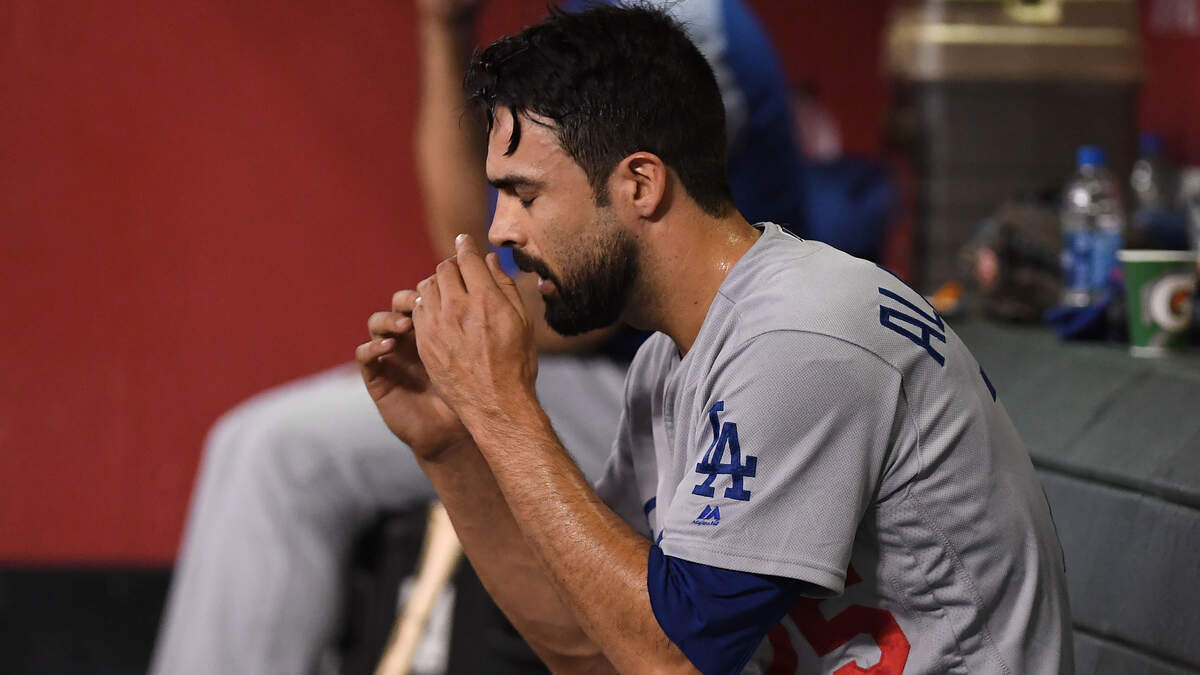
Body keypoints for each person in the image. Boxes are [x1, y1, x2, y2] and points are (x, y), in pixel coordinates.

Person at [356, 5, 1073, 674]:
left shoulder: (800, 339)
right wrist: (451, 444)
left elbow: (672, 660)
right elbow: (595, 646)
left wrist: (502, 408)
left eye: (526, 194)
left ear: (640, 184)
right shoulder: (674, 356)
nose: (501, 230)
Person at [149, 1, 816, 673]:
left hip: (696, 374)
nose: (504, 225)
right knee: (263, 443)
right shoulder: (583, 24)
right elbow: (474, 240)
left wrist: (474, 366)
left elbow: (596, 289)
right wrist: (444, 26)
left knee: (281, 454)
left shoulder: (673, 25)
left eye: (524, 197)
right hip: (644, 373)